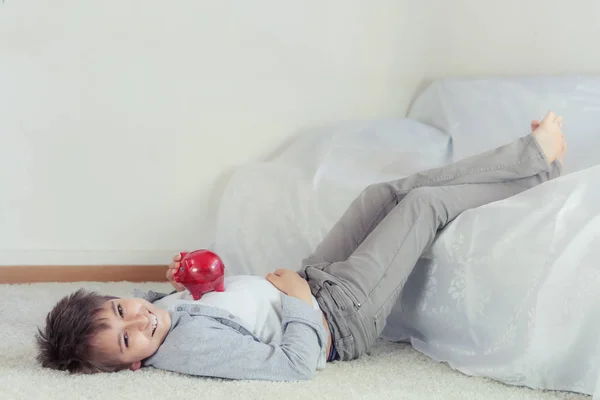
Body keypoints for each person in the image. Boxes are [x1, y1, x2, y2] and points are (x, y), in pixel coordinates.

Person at [35, 112, 566, 381]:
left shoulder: (159, 312)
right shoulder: (189, 350)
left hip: (316, 279)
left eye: (123, 310)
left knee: (379, 193)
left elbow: (184, 300)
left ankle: (530, 164)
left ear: (115, 297)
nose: (141, 322)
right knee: (422, 206)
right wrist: (296, 300)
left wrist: (177, 279)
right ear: (132, 369)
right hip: (339, 317)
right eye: (129, 342)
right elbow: (294, 365)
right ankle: (535, 162)